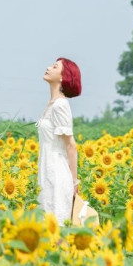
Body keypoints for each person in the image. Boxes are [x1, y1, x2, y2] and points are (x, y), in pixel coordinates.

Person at [35, 56, 82, 227]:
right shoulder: (52, 104)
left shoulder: (60, 105)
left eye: (54, 67)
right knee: (45, 224)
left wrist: (74, 182)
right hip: (46, 170)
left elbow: (71, 145)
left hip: (56, 173)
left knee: (56, 226)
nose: (48, 67)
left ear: (63, 77)